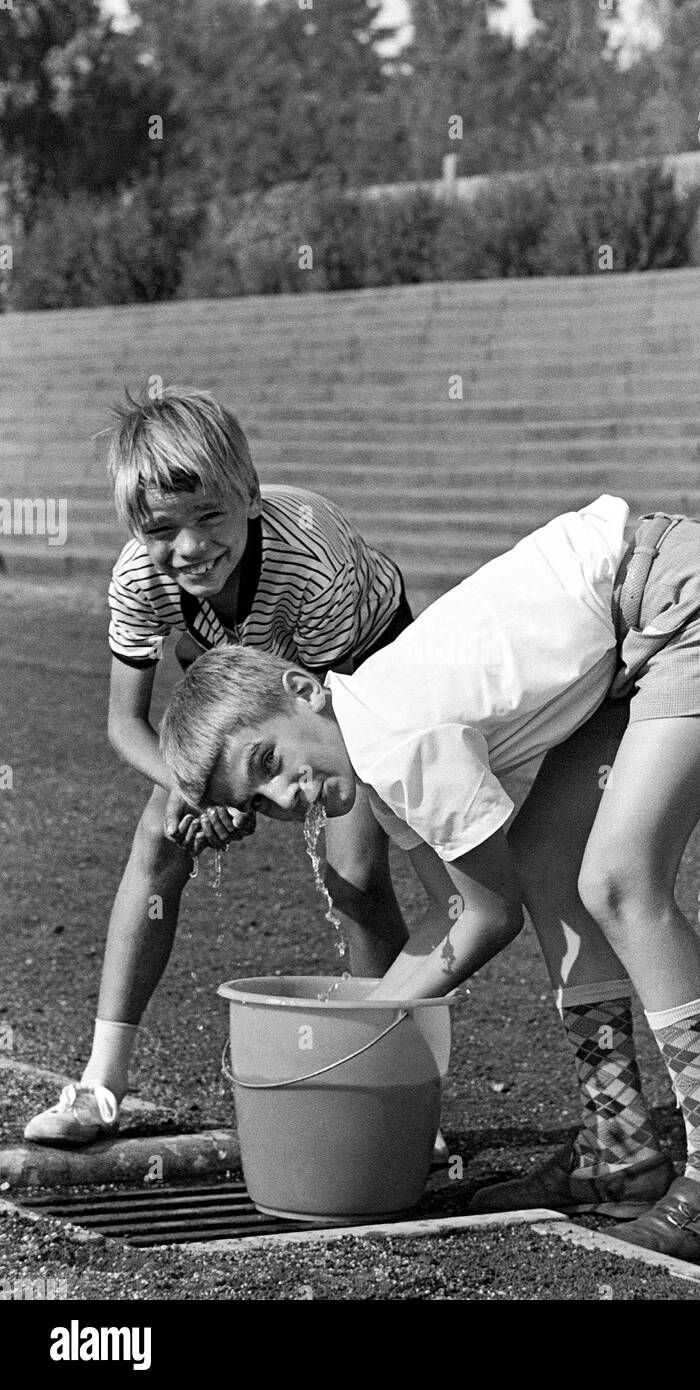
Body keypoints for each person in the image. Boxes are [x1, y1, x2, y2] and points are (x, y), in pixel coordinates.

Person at [159, 496, 700, 1265]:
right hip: (626, 631)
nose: (285, 797)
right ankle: (617, 1146)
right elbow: (462, 905)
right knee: (552, 871)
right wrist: (374, 1012)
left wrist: (367, 1028)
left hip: (690, 596)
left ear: (302, 688)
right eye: (258, 801)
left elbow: (488, 919)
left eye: (268, 763)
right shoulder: (376, 757)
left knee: (620, 882)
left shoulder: (394, 740)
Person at [24, 386, 416, 1147]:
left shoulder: (314, 557)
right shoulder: (141, 576)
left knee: (357, 873)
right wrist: (196, 791)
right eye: (162, 529)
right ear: (136, 531)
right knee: (160, 833)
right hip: (232, 656)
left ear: (251, 498)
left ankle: (395, 1088)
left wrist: (254, 793)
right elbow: (124, 723)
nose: (191, 546)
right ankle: (101, 1083)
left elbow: (319, 726)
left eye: (210, 517)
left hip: (355, 669)